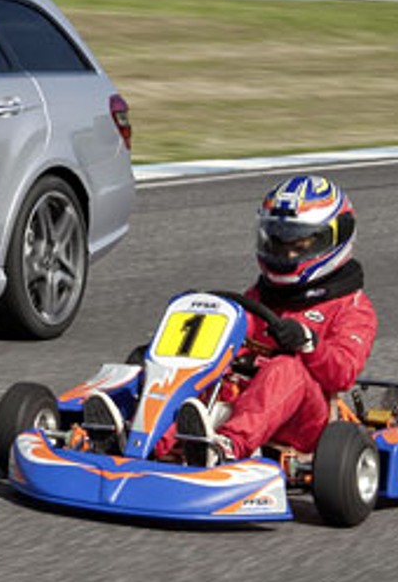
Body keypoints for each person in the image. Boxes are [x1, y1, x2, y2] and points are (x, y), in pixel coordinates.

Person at [87, 174, 378, 466]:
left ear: (333, 240)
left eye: (299, 245)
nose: (286, 254)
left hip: (306, 421)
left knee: (286, 367)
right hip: (243, 397)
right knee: (195, 365)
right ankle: (142, 440)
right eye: (277, 243)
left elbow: (343, 374)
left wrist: (308, 344)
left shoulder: (352, 307)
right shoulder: (260, 296)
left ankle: (225, 447)